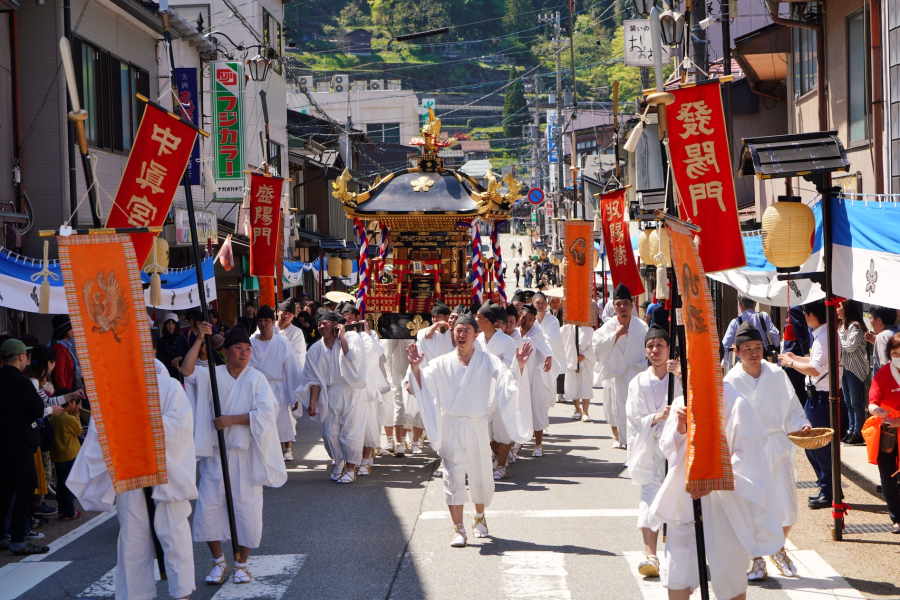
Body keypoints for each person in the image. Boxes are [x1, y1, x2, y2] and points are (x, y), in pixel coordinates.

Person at [69, 358, 198, 599]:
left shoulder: (169, 387)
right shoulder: (115, 390)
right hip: (130, 473)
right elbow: (103, 432)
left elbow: (181, 426)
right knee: (133, 540)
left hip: (166, 471)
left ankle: (182, 595)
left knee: (174, 534)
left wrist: (143, 426)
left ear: (150, 351)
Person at [650, 376, 784, 600]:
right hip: (685, 499)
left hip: (725, 502)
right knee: (677, 571)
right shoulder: (681, 402)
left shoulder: (737, 403)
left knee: (729, 573)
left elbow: (748, 456)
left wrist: (713, 479)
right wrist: (681, 428)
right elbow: (668, 449)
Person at [407, 312, 534, 547]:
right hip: (451, 425)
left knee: (481, 475)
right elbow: (419, 386)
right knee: (452, 476)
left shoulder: (487, 361)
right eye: (458, 330)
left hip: (476, 425)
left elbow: (508, 383)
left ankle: (479, 516)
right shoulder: (441, 363)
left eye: (467, 330)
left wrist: (521, 366)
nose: (462, 334)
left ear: (475, 335)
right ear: (453, 335)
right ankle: (458, 529)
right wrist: (415, 369)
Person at [182, 326, 287, 585]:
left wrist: (232, 420)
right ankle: (219, 562)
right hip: (216, 455)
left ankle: (242, 564)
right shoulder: (212, 376)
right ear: (225, 351)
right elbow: (186, 371)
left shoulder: (256, 379)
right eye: (239, 348)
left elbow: (266, 413)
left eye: (248, 348)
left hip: (246, 455)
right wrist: (198, 339)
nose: (244, 352)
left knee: (247, 509)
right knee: (209, 508)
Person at [727, 320, 811, 579]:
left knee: (785, 505)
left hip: (777, 446)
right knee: (753, 505)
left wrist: (802, 424)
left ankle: (778, 547)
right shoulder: (731, 380)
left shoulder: (776, 374)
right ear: (737, 351)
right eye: (747, 348)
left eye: (758, 346)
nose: (754, 352)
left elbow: (792, 408)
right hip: (748, 450)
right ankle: (757, 557)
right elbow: (727, 420)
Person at [625, 326, 680, 578]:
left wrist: (682, 375)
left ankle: (680, 553)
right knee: (649, 496)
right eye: (650, 346)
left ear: (669, 349)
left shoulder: (679, 377)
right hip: (649, 445)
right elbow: (634, 417)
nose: (655, 350)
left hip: (677, 445)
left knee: (679, 497)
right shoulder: (638, 381)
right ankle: (651, 555)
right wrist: (658, 417)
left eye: (660, 345)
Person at [295, 311, 368, 483]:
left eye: (325, 323)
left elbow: (354, 359)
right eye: (319, 324)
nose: (321, 327)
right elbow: (313, 378)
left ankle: (351, 469)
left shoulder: (350, 338)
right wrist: (312, 402)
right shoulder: (314, 349)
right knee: (329, 433)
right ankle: (338, 462)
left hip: (351, 390)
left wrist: (342, 338)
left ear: (336, 324)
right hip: (330, 392)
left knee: (350, 431)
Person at [778, 299, 832, 509]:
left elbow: (816, 369)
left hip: (822, 396)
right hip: (817, 395)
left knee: (819, 447)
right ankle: (825, 487)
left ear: (812, 315)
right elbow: (814, 362)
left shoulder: (824, 336)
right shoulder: (822, 335)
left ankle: (828, 489)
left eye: (806, 313)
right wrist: (796, 357)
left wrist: (792, 362)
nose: (805, 317)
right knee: (812, 446)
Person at [0, 339, 49, 555]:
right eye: (26, 356)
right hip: (19, 443)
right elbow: (39, 410)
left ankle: (2, 536)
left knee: (4, 491)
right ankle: (18, 540)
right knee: (26, 488)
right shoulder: (20, 382)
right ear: (21, 357)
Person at [593, 283, 648, 449]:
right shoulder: (609, 326)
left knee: (638, 409)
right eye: (618, 304)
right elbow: (596, 347)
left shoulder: (642, 326)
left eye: (625, 303)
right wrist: (615, 335)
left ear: (632, 305)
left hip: (637, 374)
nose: (622, 307)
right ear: (613, 306)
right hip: (617, 375)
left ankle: (638, 442)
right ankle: (624, 441)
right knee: (619, 409)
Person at [474, 301, 524, 480]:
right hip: (482, 391)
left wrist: (489, 365)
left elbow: (509, 365)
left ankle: (502, 465)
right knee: (485, 430)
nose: (476, 319)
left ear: (486, 320)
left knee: (501, 429)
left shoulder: (506, 341)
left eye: (478, 317)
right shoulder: (478, 339)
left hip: (501, 390)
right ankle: (495, 456)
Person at [248, 305, 304, 461]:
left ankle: (277, 462)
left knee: (278, 429)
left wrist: (295, 397)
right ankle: (262, 463)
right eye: (260, 320)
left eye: (267, 320)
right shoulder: (250, 343)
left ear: (273, 322)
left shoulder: (282, 343)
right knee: (259, 429)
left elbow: (292, 370)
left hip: (278, 391)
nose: (263, 323)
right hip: (256, 392)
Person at [866, 332, 900, 534]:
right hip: (887, 430)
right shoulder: (884, 373)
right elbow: (873, 401)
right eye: (895, 352)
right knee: (887, 476)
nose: (898, 356)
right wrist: (875, 410)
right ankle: (896, 517)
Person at [518, 304, 557, 457]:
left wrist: (549, 357)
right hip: (519, 375)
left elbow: (528, 347)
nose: (526, 322)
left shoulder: (536, 333)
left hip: (533, 375)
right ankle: (518, 442)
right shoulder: (514, 332)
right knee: (519, 409)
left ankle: (538, 444)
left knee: (536, 408)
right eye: (523, 318)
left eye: (530, 319)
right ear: (519, 317)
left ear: (534, 320)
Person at [838, 300, 869, 446]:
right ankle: (851, 431)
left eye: (840, 307)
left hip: (855, 368)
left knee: (856, 403)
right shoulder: (842, 326)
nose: (837, 309)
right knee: (848, 402)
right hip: (845, 368)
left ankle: (859, 433)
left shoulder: (855, 326)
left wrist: (836, 341)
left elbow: (850, 346)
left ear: (847, 309)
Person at [721, 295, 781, 372]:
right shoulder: (763, 316)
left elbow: (725, 345)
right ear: (755, 303)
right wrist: (773, 347)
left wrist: (726, 363)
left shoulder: (735, 322)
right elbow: (775, 334)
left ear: (740, 304)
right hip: (761, 359)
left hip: (743, 363)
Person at [49, 393, 84, 522]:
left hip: (58, 456)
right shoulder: (68, 419)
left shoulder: (53, 417)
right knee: (68, 486)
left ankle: (63, 510)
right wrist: (77, 416)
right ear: (69, 402)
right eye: (75, 402)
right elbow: (79, 431)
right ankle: (69, 512)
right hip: (70, 456)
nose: (75, 405)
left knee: (61, 486)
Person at [533, 292, 565, 405]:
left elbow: (552, 338)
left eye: (543, 303)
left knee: (547, 393)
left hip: (548, 359)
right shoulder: (530, 320)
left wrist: (536, 338)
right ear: (533, 304)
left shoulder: (553, 320)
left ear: (547, 304)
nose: (540, 305)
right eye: (538, 303)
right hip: (534, 360)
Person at [561, 323, 595, 421]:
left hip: (585, 361)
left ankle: (585, 411)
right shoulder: (568, 327)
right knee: (573, 385)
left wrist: (584, 355)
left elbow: (594, 345)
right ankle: (577, 409)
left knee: (586, 385)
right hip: (572, 359)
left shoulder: (589, 330)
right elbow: (560, 339)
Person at [782, 306, 812, 407]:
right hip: (794, 351)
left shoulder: (795, 308)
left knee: (791, 391)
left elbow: (801, 332)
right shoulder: (794, 307)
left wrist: (806, 353)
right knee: (799, 392)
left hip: (795, 352)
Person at [50, 314, 85, 401]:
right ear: (65, 329)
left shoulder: (66, 347)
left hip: (70, 392)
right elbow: (59, 376)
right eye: (71, 327)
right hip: (67, 395)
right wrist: (67, 397)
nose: (74, 329)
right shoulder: (60, 349)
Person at [156, 313, 190, 379]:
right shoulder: (161, 341)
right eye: (168, 324)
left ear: (176, 325)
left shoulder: (183, 339)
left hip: (182, 372)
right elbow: (160, 359)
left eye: (173, 323)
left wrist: (179, 358)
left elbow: (189, 355)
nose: (171, 326)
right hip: (167, 373)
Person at [276, 299, 308, 369]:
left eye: (289, 314)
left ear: (293, 316)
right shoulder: (270, 328)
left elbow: (298, 356)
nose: (286, 316)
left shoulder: (297, 332)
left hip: (288, 370)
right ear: (278, 312)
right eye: (284, 312)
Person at [867, 305, 899, 373]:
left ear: (879, 320)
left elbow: (884, 366)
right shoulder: (897, 333)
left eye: (870, 318)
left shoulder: (882, 336)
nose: (870, 322)